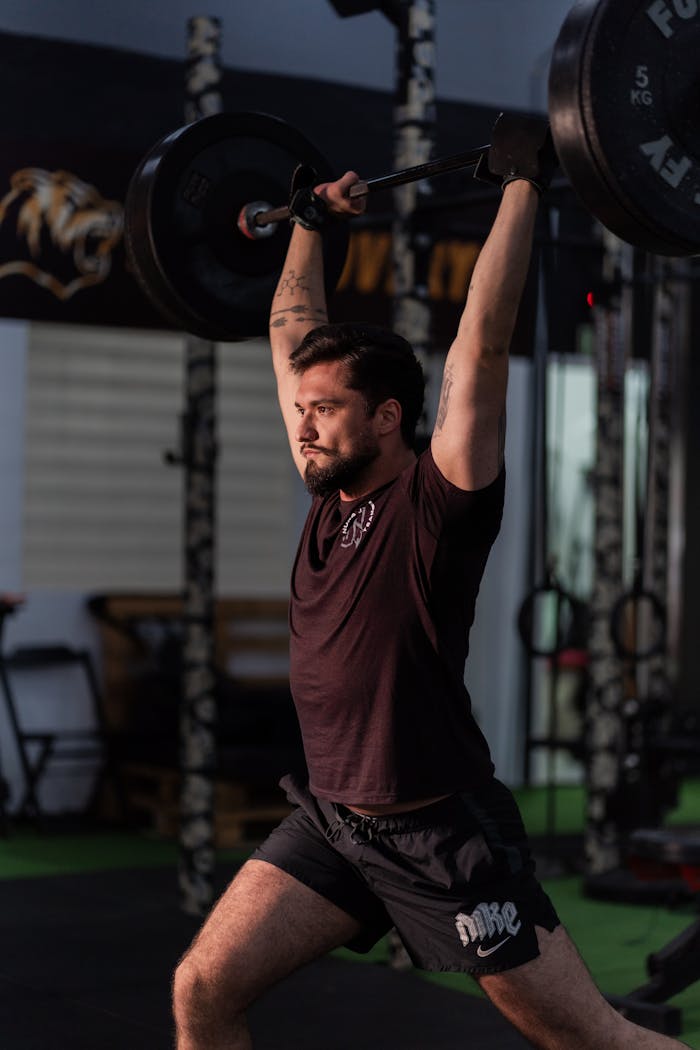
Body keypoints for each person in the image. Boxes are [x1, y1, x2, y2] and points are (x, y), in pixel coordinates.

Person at [172, 116, 688, 1049]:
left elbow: (480, 353)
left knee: (591, 1039)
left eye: (327, 412)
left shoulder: (436, 502)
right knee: (202, 988)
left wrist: (522, 188)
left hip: (441, 837)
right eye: (305, 409)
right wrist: (309, 225)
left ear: (389, 418)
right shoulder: (328, 494)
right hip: (333, 824)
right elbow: (291, 330)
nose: (305, 425)